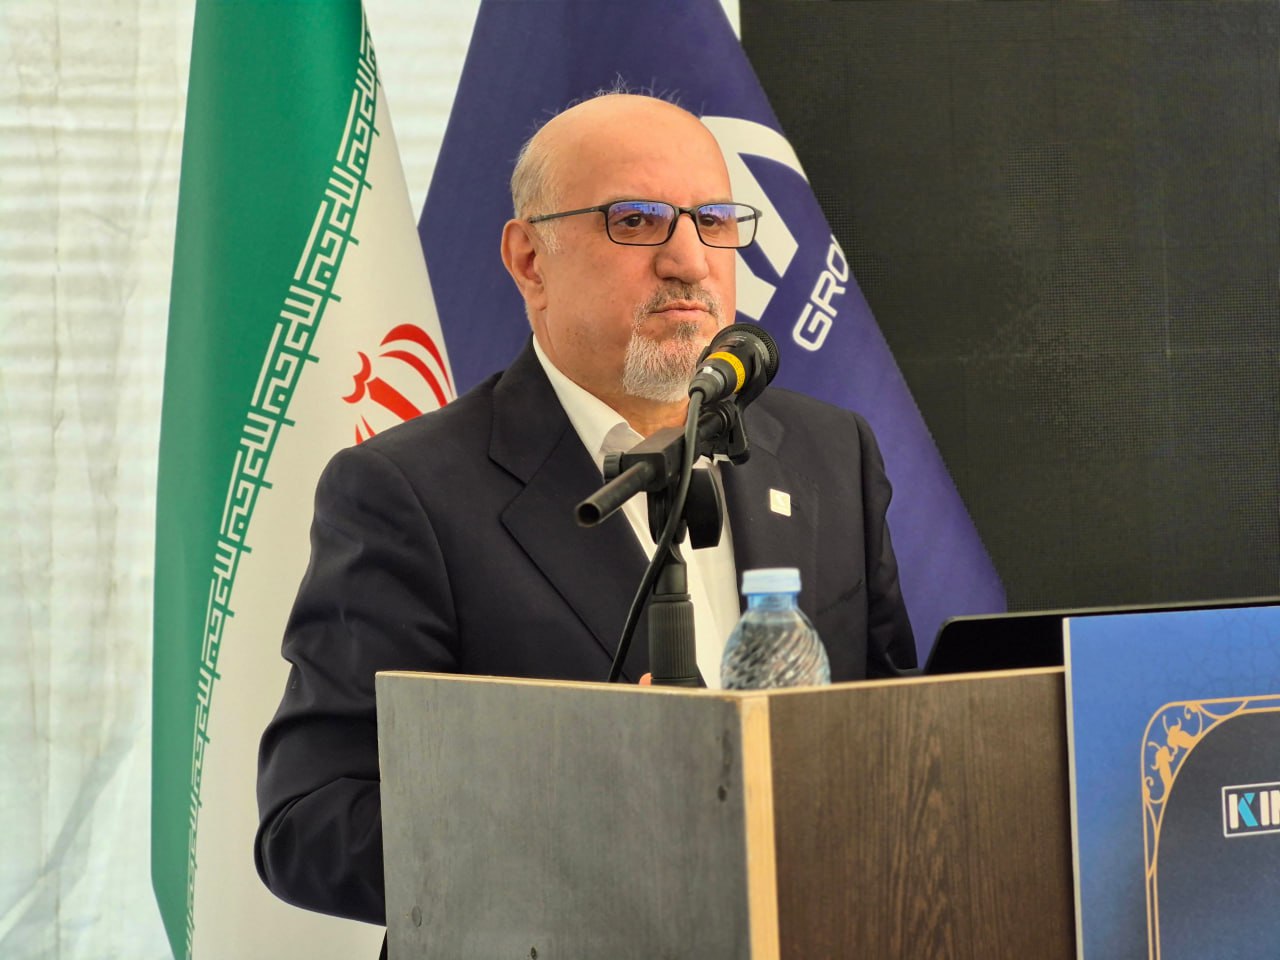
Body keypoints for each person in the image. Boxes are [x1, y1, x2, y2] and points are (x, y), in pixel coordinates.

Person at [255, 93, 915, 932]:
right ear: (530, 259)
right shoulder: (406, 493)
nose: (689, 260)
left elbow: (901, 737)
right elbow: (308, 824)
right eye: (636, 221)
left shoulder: (829, 453)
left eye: (715, 221)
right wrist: (587, 811)